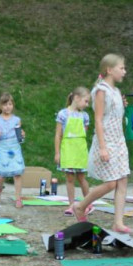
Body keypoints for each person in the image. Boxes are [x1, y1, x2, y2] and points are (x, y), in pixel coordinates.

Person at [73, 54, 133, 234]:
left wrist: (120, 105)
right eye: (121, 68)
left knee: (122, 181)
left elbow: (114, 113)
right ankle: (80, 206)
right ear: (109, 70)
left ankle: (118, 223)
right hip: (107, 140)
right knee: (111, 183)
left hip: (119, 141)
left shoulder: (115, 91)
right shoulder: (101, 90)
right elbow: (98, 120)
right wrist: (102, 146)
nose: (124, 71)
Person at [54, 87, 92, 216]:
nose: (87, 105)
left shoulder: (85, 116)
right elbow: (58, 135)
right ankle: (71, 205)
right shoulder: (63, 114)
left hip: (80, 149)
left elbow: (84, 133)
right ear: (76, 98)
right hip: (67, 149)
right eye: (86, 101)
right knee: (69, 177)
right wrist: (57, 152)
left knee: (81, 177)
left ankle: (88, 203)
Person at [0, 92, 25, 208]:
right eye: (5, 104)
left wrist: (22, 135)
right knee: (2, 173)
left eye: (10, 104)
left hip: (15, 147)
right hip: (3, 147)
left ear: (13, 105)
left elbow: (20, 136)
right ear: (0, 106)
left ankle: (18, 198)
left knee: (17, 173)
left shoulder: (16, 120)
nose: (7, 107)